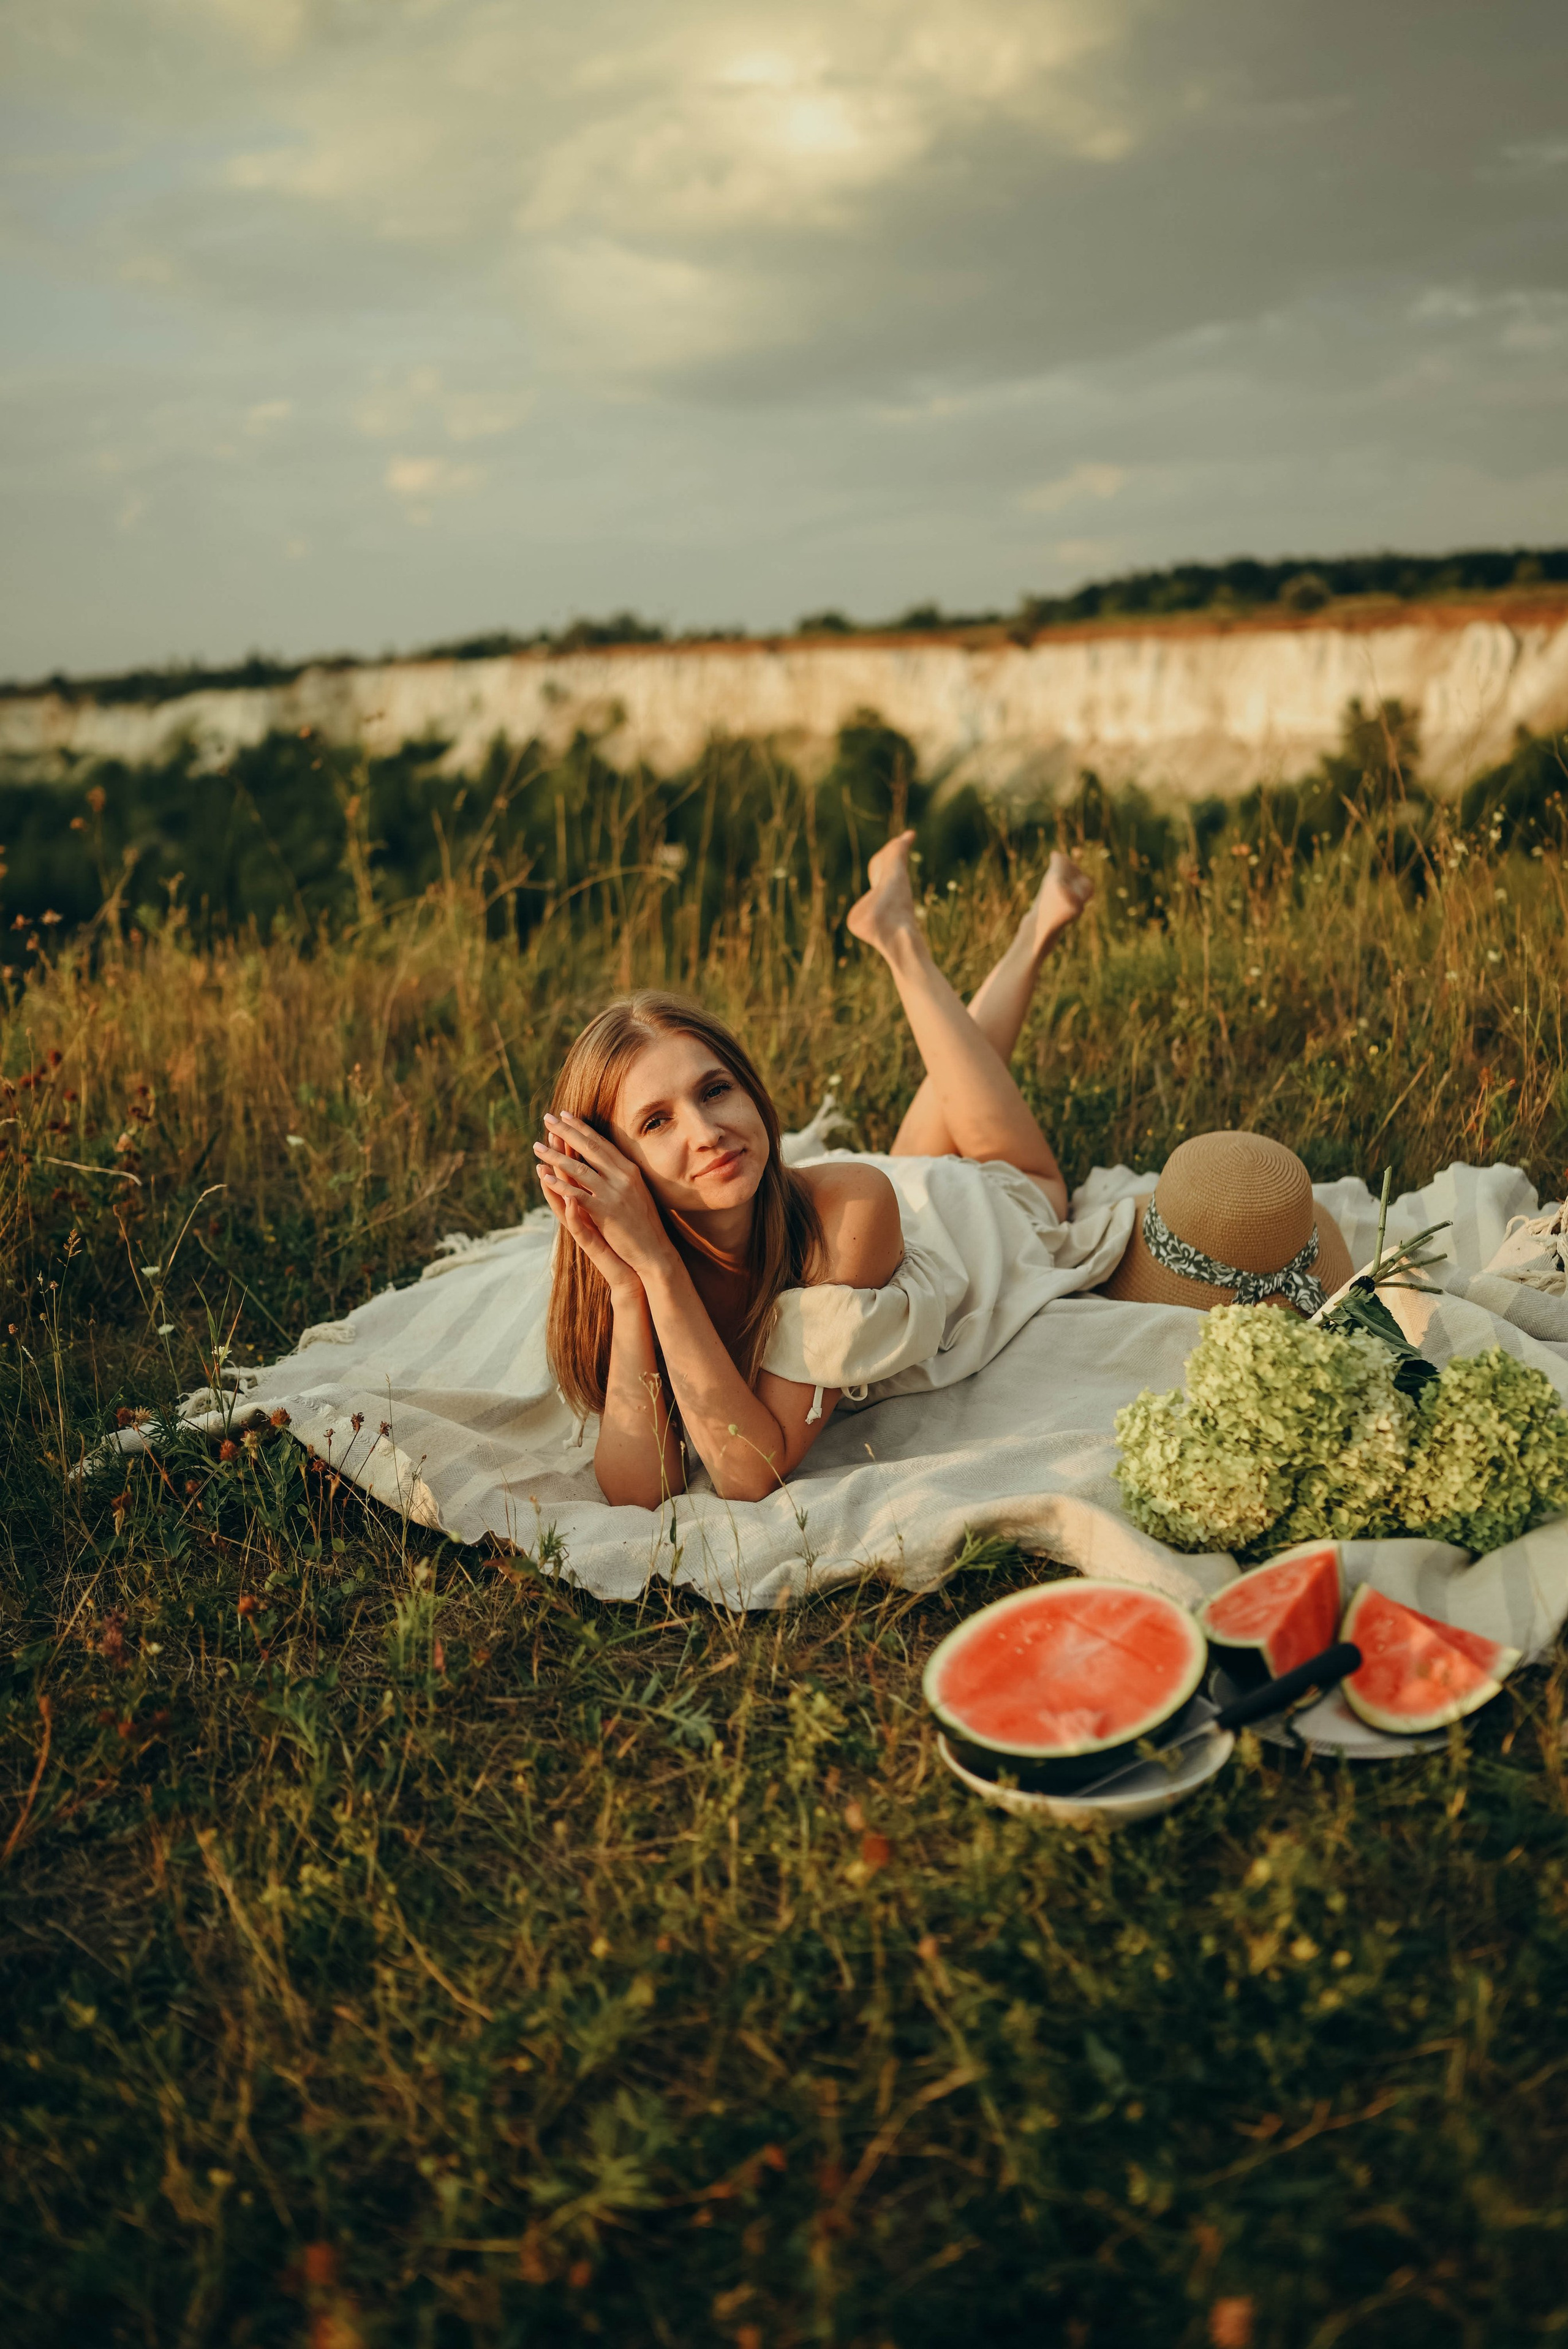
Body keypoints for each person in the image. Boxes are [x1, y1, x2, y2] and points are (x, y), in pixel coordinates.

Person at [535, 831, 1096, 1507]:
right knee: (954, 1083)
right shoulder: (629, 1268)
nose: (708, 1133)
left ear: (751, 1090)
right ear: (613, 1164)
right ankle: (1002, 924)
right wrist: (632, 1283)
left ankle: (918, 944)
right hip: (886, 1193)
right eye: (657, 1122)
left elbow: (750, 1471)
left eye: (715, 1090)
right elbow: (636, 1490)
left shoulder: (847, 1208)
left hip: (965, 1212)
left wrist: (658, 1266)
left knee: (1035, 1180)